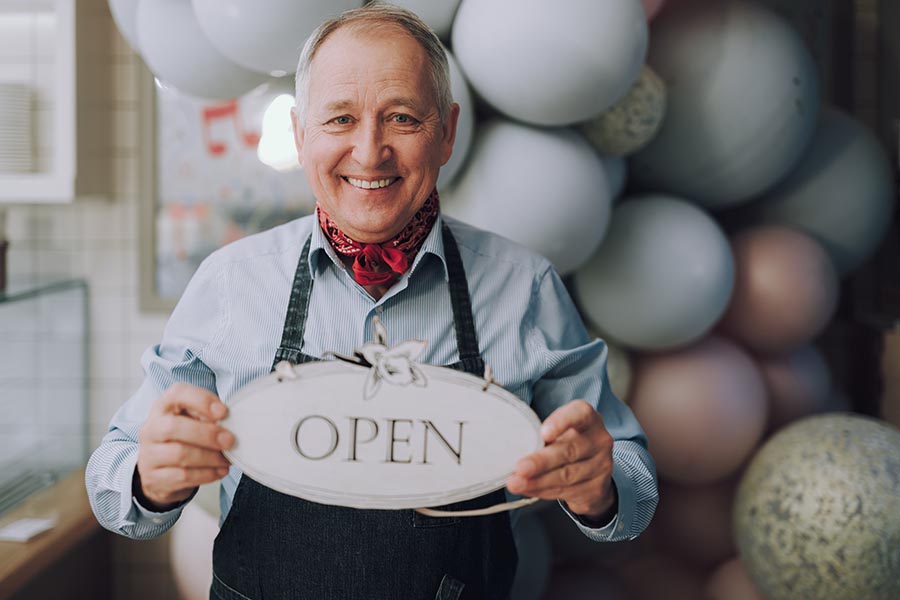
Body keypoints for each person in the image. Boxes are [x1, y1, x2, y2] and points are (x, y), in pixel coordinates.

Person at [86, 4, 657, 599]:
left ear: (447, 133)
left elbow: (634, 488)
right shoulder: (231, 282)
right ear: (301, 134)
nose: (369, 151)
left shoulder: (525, 287)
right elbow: (112, 478)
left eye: (402, 117)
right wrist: (149, 479)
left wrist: (601, 486)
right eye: (339, 119)